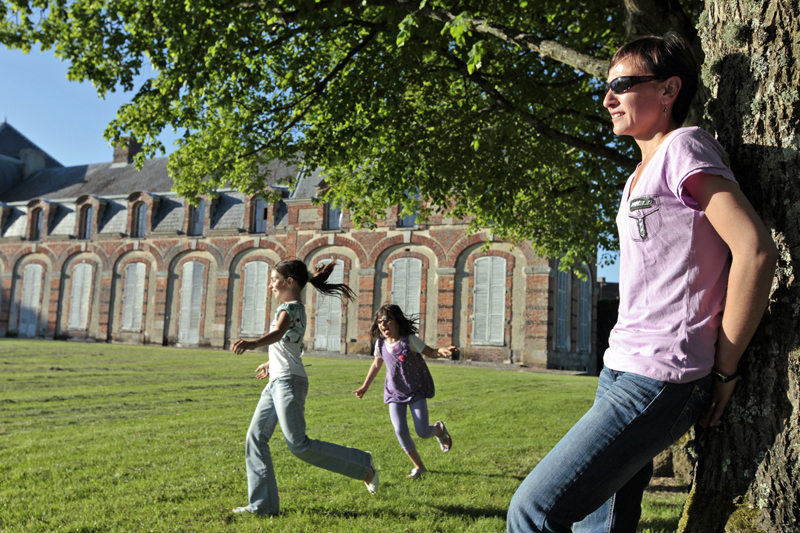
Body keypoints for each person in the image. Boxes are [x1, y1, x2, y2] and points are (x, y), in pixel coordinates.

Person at [507, 32, 778, 533]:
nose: (607, 98)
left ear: (669, 90)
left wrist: (724, 370)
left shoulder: (684, 146)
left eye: (623, 85)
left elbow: (756, 250)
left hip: (662, 377)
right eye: (607, 87)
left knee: (533, 511)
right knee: (600, 528)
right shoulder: (638, 173)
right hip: (619, 368)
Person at [230, 259, 379, 516]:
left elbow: (278, 333)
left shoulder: (290, 308)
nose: (270, 285)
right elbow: (291, 345)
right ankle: (262, 506)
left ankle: (363, 465)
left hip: (289, 382)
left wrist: (253, 344)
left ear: (289, 282)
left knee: (299, 445)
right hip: (278, 379)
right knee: (255, 438)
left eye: (274, 279)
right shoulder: (293, 309)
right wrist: (270, 361)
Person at [353, 304, 457, 478]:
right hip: (394, 393)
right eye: (379, 321)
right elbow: (376, 364)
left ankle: (438, 430)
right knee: (400, 430)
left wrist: (442, 351)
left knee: (423, 432)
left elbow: (430, 352)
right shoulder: (380, 344)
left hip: (415, 391)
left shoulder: (409, 340)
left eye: (387, 320)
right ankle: (419, 467)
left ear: (398, 322)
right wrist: (365, 386)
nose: (382, 324)